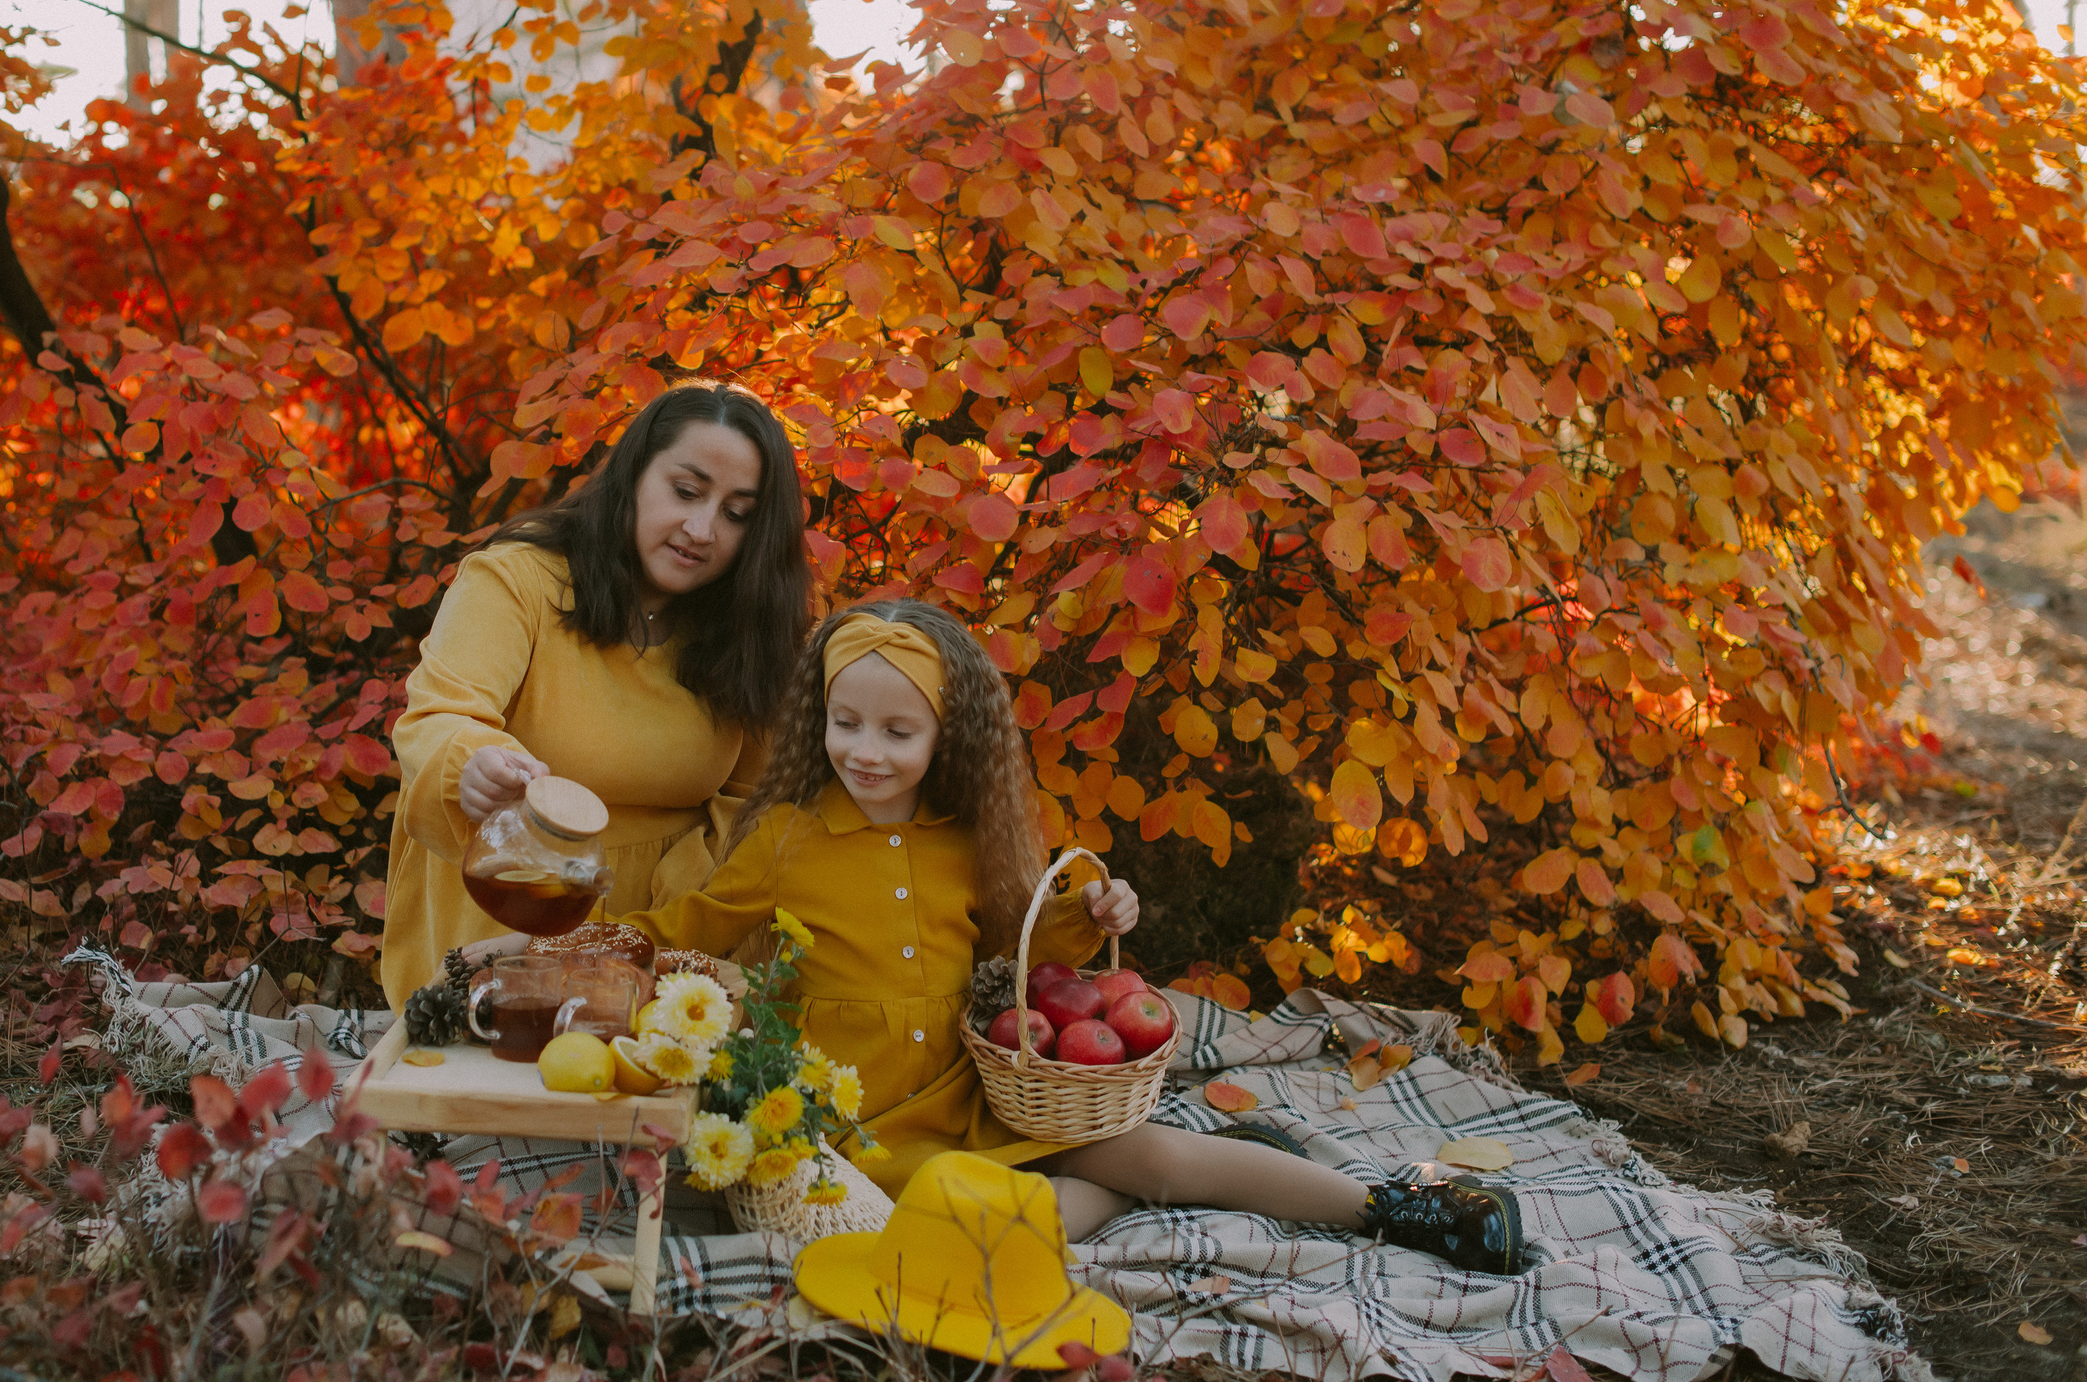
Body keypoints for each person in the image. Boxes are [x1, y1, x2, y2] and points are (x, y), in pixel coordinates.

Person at [610, 599, 1527, 1274]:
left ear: (945, 734)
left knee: (1164, 1152)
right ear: (819, 721)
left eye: (898, 729)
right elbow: (684, 929)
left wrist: (1094, 911)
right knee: (956, 1241)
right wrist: (580, 948)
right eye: (846, 724)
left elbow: (1029, 946)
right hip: (862, 1131)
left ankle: (1396, 1204)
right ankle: (1106, 1203)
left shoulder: (964, 837)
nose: (867, 751)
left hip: (978, 1096)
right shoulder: (785, 839)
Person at [378, 383, 812, 1008]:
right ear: (635, 475)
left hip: (661, 937)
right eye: (686, 492)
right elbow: (440, 713)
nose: (701, 528)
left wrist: (674, 899)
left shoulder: (752, 629)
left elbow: (757, 798)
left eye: (736, 513)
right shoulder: (517, 579)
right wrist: (470, 763)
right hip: (510, 912)